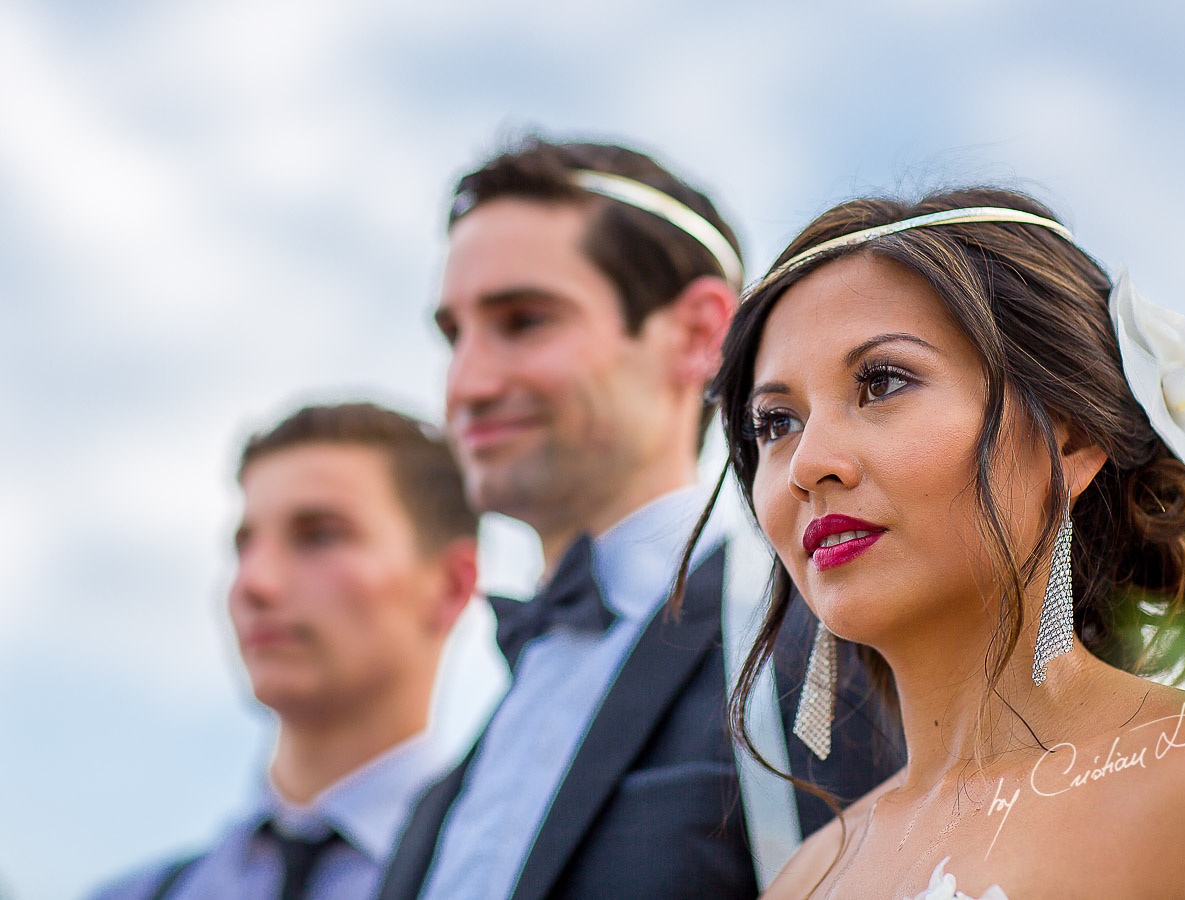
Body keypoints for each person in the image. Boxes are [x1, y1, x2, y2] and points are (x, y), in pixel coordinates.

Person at [701, 187, 1185, 899]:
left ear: (1069, 436)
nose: (809, 463)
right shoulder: (805, 877)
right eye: (775, 423)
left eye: (881, 383)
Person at [381, 137, 902, 900]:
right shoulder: (453, 776)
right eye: (454, 335)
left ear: (697, 334)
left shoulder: (824, 646)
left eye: (524, 321)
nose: (467, 384)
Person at [92, 402, 479, 900]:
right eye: (244, 546)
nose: (255, 583)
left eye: (319, 536)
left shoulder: (513, 879)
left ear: (451, 585)